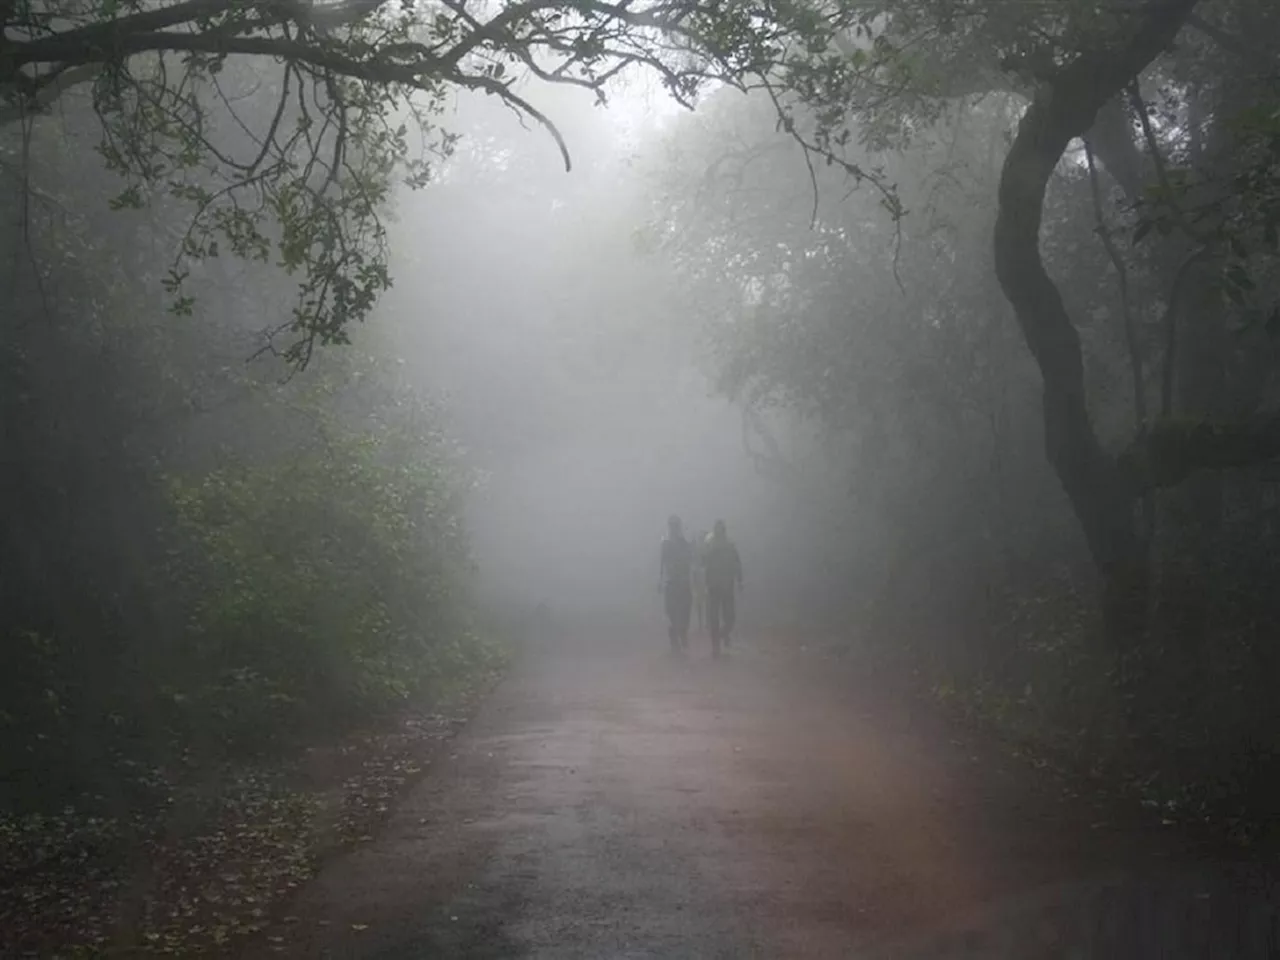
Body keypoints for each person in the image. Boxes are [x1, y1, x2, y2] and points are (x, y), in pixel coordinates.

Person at [703, 519, 742, 656]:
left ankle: (723, 634)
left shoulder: (730, 545)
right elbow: (702, 562)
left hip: (727, 585)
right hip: (713, 586)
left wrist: (739, 580)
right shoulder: (709, 544)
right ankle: (715, 645)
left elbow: (737, 563)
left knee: (730, 618)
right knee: (713, 617)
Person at [658, 515, 694, 651]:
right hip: (671, 582)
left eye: (675, 525)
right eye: (671, 526)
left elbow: (691, 560)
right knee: (671, 612)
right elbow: (662, 563)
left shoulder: (684, 543)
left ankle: (682, 633)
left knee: (685, 610)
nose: (673, 528)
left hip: (683, 581)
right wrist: (660, 580)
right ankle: (674, 635)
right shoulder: (665, 543)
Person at [691, 529, 708, 635]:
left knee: (705, 603)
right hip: (699, 576)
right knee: (699, 603)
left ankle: (705, 623)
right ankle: (701, 624)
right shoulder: (697, 550)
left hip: (704, 576)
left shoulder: (707, 549)